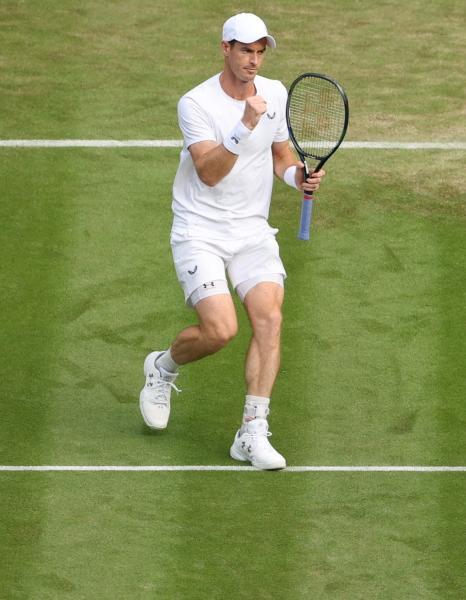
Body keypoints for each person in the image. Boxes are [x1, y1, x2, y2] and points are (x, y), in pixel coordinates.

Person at [138, 13, 323, 470]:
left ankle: (252, 431)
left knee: (269, 318)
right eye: (245, 50)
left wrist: (297, 177)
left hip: (251, 231)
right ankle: (162, 367)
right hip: (199, 229)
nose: (253, 61)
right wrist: (242, 125)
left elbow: (281, 154)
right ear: (225, 48)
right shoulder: (195, 103)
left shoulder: (274, 93)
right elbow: (210, 173)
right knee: (220, 330)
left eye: (260, 52)